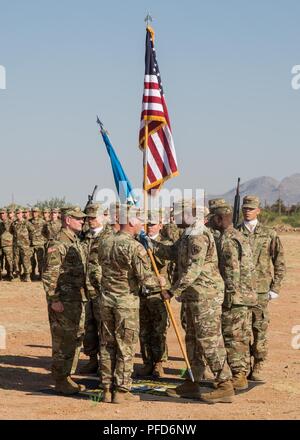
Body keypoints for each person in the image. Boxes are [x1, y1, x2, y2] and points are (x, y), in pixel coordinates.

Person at [151, 199, 234, 404]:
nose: (174, 217)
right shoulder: (188, 234)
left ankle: (224, 383)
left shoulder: (198, 237)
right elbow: (170, 253)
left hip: (205, 296)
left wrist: (172, 290)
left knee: (208, 339)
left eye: (178, 214)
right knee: (193, 339)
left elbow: (193, 270)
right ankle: (192, 380)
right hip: (193, 296)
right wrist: (149, 243)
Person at [98, 205, 164, 404]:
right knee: (126, 346)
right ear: (133, 221)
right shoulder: (134, 247)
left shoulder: (105, 242)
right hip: (126, 303)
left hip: (106, 301)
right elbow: (146, 279)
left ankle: (106, 388)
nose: (142, 225)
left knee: (107, 345)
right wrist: (160, 281)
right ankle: (122, 390)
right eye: (141, 221)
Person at [238, 195, 286, 381]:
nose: (247, 211)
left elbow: (279, 262)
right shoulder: (235, 232)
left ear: (259, 210)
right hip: (240, 291)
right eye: (245, 208)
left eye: (251, 208)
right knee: (240, 331)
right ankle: (241, 368)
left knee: (259, 328)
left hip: (260, 291)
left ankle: (258, 364)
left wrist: (275, 288)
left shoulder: (270, 233)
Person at [42, 206, 88, 395]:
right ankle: (61, 379)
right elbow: (49, 275)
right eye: (78, 219)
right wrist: (54, 299)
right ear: (68, 220)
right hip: (63, 300)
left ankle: (67, 375)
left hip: (75, 299)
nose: (82, 221)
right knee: (62, 340)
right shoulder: (58, 243)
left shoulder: (74, 241)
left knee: (74, 338)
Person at [213, 204, 257, 390]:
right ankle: (241, 372)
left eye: (213, 217)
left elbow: (232, 271)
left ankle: (239, 375)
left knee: (233, 337)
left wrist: (228, 297)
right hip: (245, 295)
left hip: (236, 297)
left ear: (219, 219)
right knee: (241, 335)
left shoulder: (229, 239)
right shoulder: (238, 235)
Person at [138, 209, 170, 378]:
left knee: (159, 329)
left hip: (159, 292)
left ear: (160, 225)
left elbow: (163, 262)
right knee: (143, 330)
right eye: (147, 224)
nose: (149, 227)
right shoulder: (137, 242)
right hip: (141, 291)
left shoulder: (166, 243)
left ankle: (159, 362)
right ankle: (147, 362)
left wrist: (152, 247)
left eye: (152, 224)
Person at [80, 203, 111, 375]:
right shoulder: (85, 237)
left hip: (102, 290)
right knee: (88, 327)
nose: (90, 221)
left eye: (93, 217)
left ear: (103, 216)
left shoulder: (109, 237)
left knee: (104, 328)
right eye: (88, 218)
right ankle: (92, 359)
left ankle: (106, 365)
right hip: (85, 289)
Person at [11, 208, 35, 281]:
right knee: (16, 260)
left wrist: (28, 241)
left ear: (22, 214)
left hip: (25, 245)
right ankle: (17, 276)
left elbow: (32, 231)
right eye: (17, 213)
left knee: (26, 260)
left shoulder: (27, 223)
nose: (18, 215)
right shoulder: (14, 223)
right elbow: (11, 231)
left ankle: (27, 276)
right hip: (16, 245)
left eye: (19, 213)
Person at [30, 207, 46, 280]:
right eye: (33, 212)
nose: (34, 213)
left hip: (40, 244)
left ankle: (41, 275)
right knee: (31, 260)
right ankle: (32, 273)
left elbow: (46, 232)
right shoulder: (29, 222)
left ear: (38, 212)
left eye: (36, 212)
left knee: (40, 261)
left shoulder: (43, 222)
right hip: (31, 244)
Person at [0, 208, 14, 281]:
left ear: (6, 214)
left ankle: (10, 274)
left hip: (8, 244)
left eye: (3, 213)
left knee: (9, 261)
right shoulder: (0, 224)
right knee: (0, 261)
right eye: (0, 214)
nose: (2, 215)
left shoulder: (11, 223)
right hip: (1, 245)